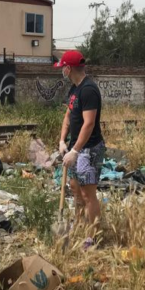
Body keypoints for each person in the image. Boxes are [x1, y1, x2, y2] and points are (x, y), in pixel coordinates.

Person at [56, 50, 106, 230]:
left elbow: (89, 123)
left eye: (62, 68)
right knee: (76, 189)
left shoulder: (89, 90)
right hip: (75, 148)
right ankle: (79, 227)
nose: (61, 71)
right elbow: (68, 117)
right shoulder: (74, 89)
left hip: (89, 149)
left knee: (87, 194)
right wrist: (62, 141)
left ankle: (93, 236)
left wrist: (75, 151)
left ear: (68, 68)